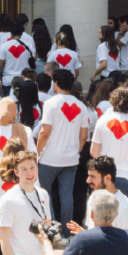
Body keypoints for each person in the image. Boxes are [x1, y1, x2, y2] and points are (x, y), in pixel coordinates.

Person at [36, 69, 88, 243]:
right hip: (71, 158)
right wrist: (76, 151)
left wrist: (37, 153)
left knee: (45, 194)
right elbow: (83, 136)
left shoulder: (51, 103)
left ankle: (51, 231)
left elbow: (44, 132)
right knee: (67, 196)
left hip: (49, 158)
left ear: (55, 83)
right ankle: (66, 233)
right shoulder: (81, 106)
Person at [90, 87, 128, 204]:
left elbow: (94, 151)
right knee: (125, 216)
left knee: (103, 215)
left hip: (105, 176)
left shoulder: (103, 120)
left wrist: (105, 166)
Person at [66, 156, 128, 236]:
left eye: (93, 176)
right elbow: (96, 234)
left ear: (108, 178)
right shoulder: (93, 198)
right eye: (88, 176)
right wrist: (84, 234)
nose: (88, 181)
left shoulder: (126, 208)